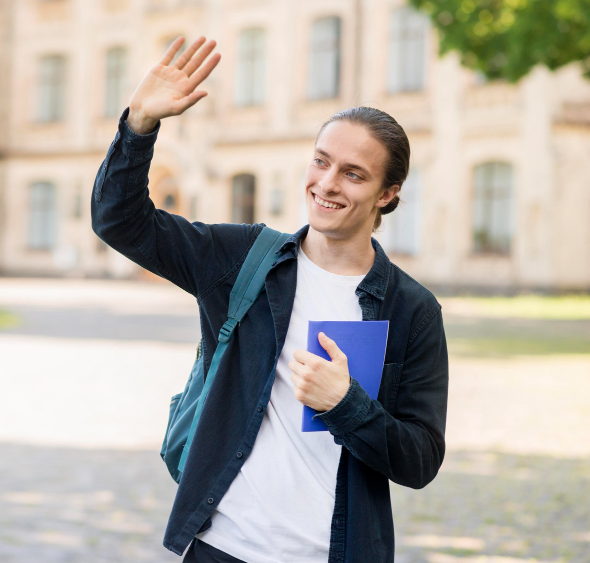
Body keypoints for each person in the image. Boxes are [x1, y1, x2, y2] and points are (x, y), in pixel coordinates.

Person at [91, 36, 449, 562]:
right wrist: (139, 125)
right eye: (321, 162)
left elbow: (420, 461)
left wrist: (346, 405)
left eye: (353, 174)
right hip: (221, 547)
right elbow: (120, 222)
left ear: (388, 194)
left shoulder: (411, 310)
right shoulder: (242, 259)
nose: (327, 184)